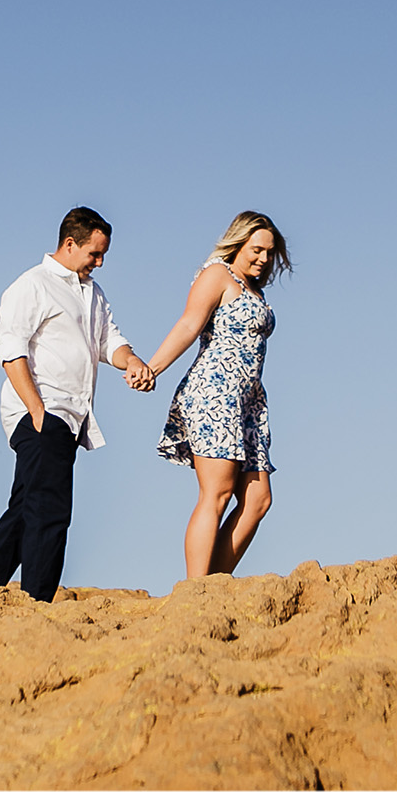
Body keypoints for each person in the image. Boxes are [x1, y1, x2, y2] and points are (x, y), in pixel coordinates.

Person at [0, 207, 154, 603]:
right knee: (51, 511)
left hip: (70, 418)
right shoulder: (32, 285)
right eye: (94, 254)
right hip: (42, 412)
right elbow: (10, 349)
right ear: (70, 244)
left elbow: (109, 341)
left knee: (27, 508)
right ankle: (38, 601)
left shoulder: (93, 293)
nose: (99, 263)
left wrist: (132, 360)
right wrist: (37, 410)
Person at [143, 211, 291, 579]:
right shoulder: (218, 275)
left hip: (249, 402)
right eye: (257, 249)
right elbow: (190, 324)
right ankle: (196, 592)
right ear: (238, 243)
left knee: (258, 500)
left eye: (270, 253)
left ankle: (215, 585)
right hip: (216, 393)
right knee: (218, 494)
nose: (263, 258)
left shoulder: (254, 288)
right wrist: (153, 367)